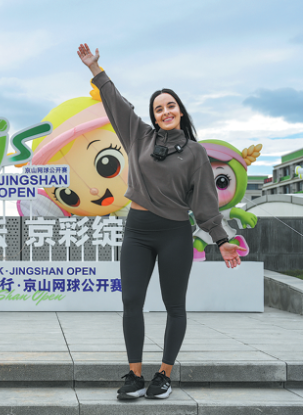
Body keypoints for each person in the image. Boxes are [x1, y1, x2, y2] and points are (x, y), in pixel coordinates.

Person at [77, 43, 245, 400]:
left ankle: (164, 375)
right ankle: (135, 376)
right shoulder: (139, 136)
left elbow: (205, 203)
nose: (165, 111)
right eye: (158, 108)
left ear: (180, 111)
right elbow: (117, 104)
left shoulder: (196, 153)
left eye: (170, 106)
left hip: (174, 234)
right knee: (131, 301)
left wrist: (221, 239)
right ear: (154, 117)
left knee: (174, 305)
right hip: (138, 232)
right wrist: (95, 69)